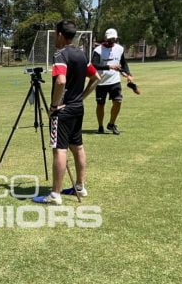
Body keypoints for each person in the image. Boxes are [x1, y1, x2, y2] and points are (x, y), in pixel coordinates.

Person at [33, 20, 100, 205]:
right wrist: (81, 97)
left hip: (63, 112)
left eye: (55, 34)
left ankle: (55, 195)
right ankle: (80, 186)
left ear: (61, 35)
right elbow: (96, 78)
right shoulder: (81, 54)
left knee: (59, 150)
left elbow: (61, 81)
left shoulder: (60, 55)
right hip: (78, 108)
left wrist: (54, 105)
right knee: (77, 147)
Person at [92, 28, 136, 135]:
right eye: (110, 39)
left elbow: (123, 63)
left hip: (115, 81)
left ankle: (111, 124)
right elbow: (94, 64)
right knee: (100, 104)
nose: (112, 41)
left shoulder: (119, 49)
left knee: (118, 101)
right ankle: (100, 126)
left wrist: (128, 74)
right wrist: (109, 66)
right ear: (106, 38)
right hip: (101, 81)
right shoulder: (98, 50)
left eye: (114, 39)